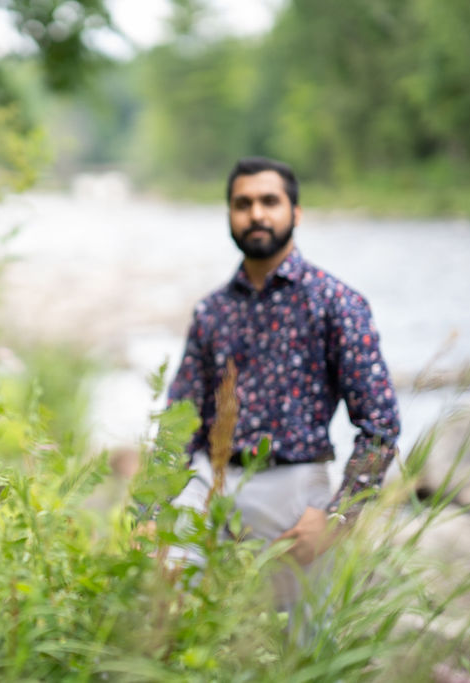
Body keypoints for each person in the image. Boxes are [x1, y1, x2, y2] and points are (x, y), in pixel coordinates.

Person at [165, 156, 400, 594]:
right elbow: (179, 422)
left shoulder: (336, 303)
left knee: (293, 632)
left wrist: (337, 517)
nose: (256, 213)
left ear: (296, 212)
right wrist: (151, 512)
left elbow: (380, 424)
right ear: (229, 215)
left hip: (294, 487)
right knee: (169, 603)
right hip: (209, 483)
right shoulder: (211, 311)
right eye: (243, 203)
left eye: (269, 201)